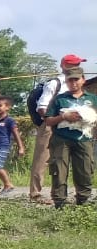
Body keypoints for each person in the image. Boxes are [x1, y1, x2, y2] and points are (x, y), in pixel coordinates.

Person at [30, 55, 86, 204]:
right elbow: (42, 107)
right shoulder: (56, 83)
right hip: (51, 125)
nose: (76, 66)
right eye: (72, 64)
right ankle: (36, 194)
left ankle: (65, 194)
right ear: (63, 65)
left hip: (72, 127)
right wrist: (54, 120)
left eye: (78, 64)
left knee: (67, 160)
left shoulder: (78, 84)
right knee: (42, 159)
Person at [47, 65, 94, 208]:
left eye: (76, 80)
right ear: (66, 82)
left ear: (83, 80)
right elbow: (48, 120)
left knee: (85, 171)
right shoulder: (59, 99)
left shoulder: (92, 99)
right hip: (61, 139)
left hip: (84, 139)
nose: (73, 83)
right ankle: (60, 203)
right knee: (59, 171)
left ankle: (83, 202)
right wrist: (63, 116)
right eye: (70, 80)